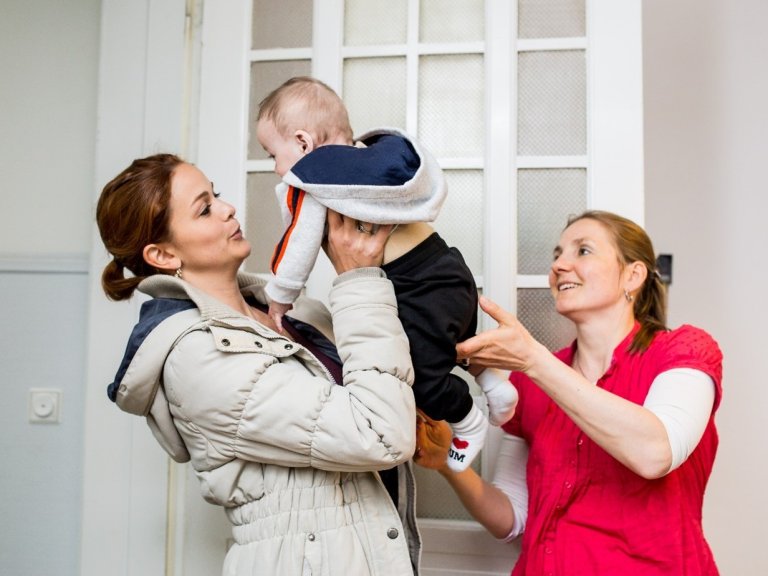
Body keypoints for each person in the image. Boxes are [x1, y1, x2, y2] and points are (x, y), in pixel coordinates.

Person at [97, 153, 423, 576]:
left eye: (216, 195)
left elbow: (381, 387)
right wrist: (358, 278)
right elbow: (380, 434)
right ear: (162, 254)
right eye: (204, 208)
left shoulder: (293, 314)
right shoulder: (199, 359)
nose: (227, 208)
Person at [415, 210, 723, 575]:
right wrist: (450, 462)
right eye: (557, 254)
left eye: (583, 251)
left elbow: (656, 452)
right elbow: (512, 518)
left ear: (633, 275)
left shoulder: (684, 352)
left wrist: (533, 359)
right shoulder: (531, 386)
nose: (560, 265)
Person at [256, 76, 517, 472]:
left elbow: (299, 245)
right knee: (457, 341)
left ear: (304, 144)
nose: (277, 169)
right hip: (447, 267)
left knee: (418, 372)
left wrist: (280, 296)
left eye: (272, 154)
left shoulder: (319, 180)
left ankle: (468, 420)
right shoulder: (374, 166)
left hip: (416, 288)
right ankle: (494, 382)